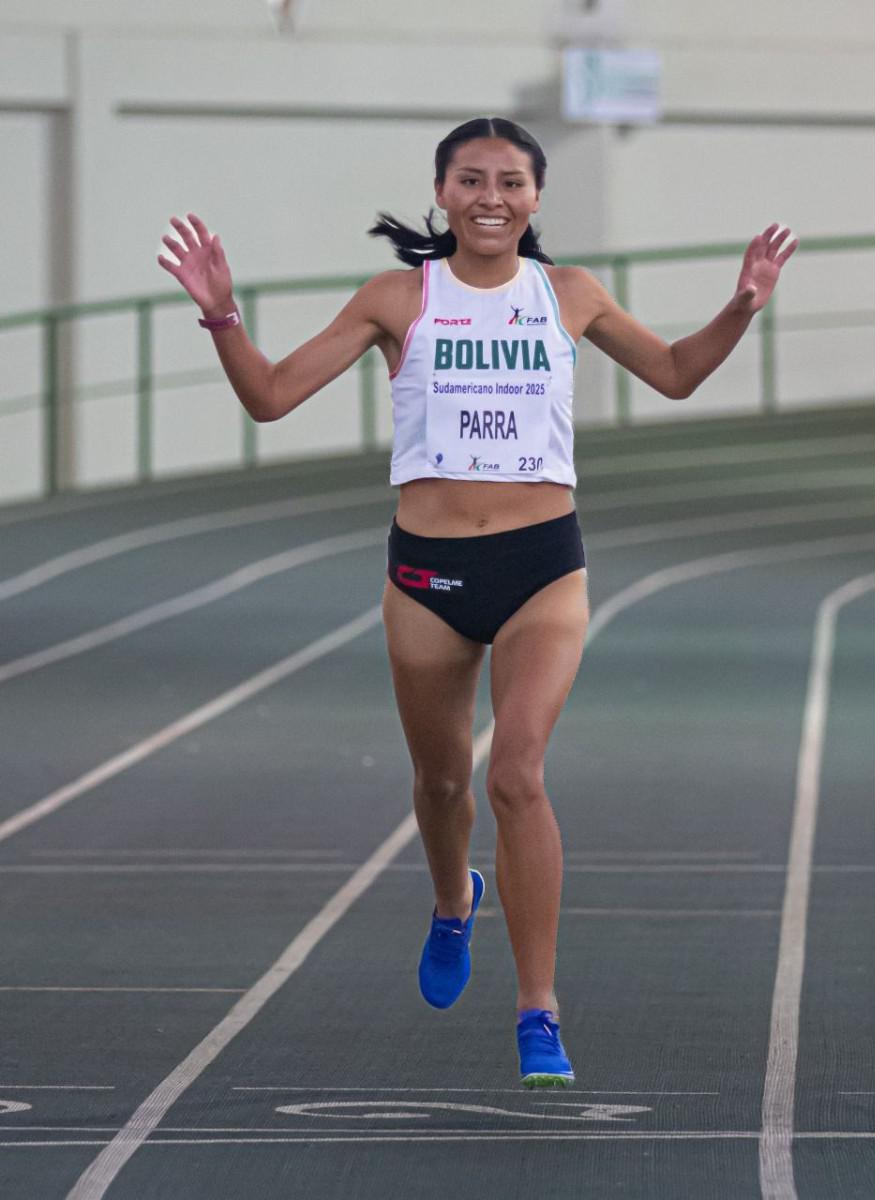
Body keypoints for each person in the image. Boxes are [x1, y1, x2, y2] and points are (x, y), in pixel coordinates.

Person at [157, 115, 796, 1088]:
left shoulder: (569, 295)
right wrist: (222, 316)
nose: (490, 197)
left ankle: (538, 1008)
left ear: (537, 198)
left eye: (510, 182)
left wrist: (742, 305)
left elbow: (672, 375)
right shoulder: (396, 298)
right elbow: (272, 399)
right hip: (427, 573)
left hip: (544, 564)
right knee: (445, 783)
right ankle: (454, 900)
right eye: (471, 180)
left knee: (518, 776)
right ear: (443, 193)